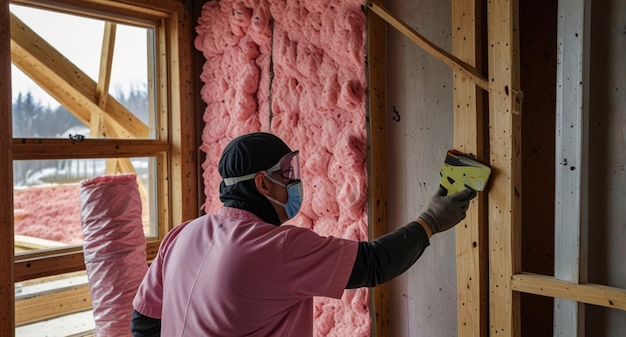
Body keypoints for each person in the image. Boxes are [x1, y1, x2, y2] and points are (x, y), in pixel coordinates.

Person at [130, 132, 476, 336]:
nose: (296, 181)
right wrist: (431, 220)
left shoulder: (182, 235)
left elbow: (143, 322)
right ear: (262, 183)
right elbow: (374, 264)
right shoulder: (276, 247)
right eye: (287, 172)